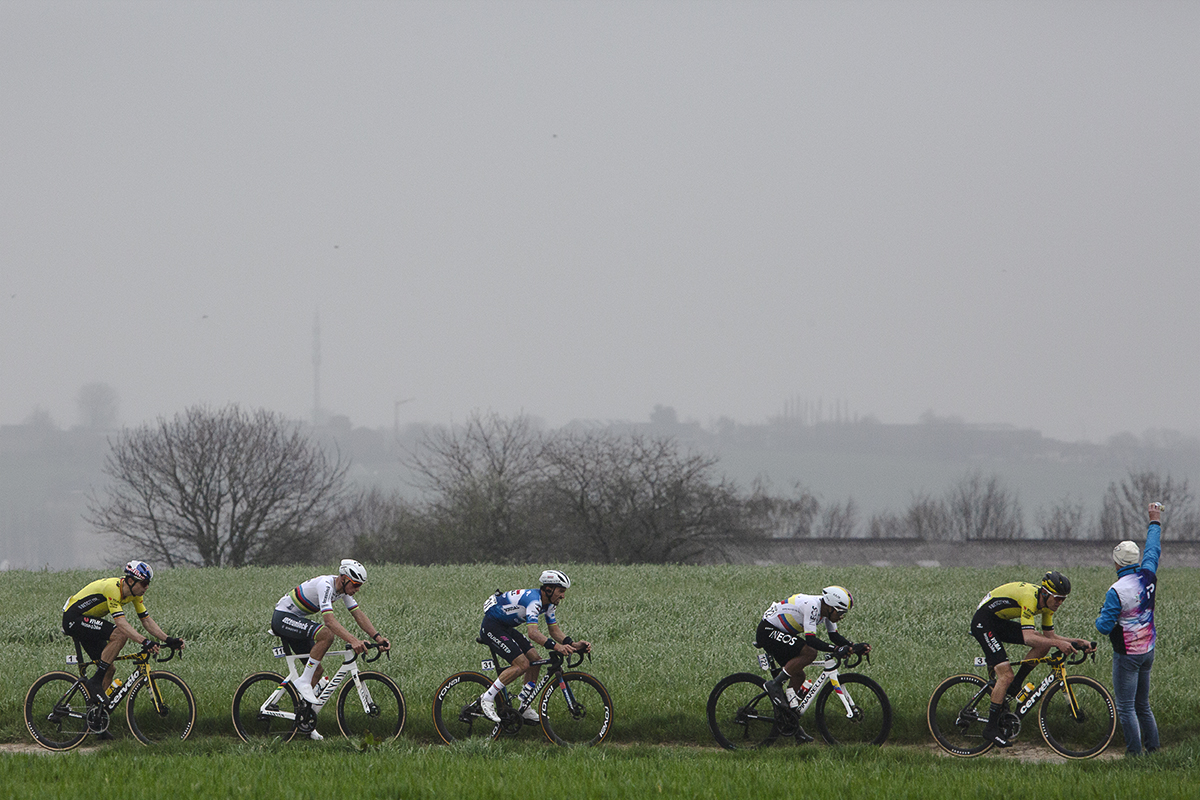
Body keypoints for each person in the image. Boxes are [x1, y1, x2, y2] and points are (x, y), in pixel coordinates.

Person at [970, 571, 1095, 747]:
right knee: (1005, 675)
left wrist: (1078, 642)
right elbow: (1028, 637)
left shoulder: (1047, 605)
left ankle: (1015, 686)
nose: (1060, 603)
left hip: (999, 621)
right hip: (983, 623)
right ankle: (990, 729)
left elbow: (1049, 636)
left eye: (1063, 599)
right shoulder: (1030, 598)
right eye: (1058, 598)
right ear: (1045, 593)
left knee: (1044, 644)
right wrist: (1058, 644)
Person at [271, 559, 390, 740]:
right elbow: (329, 621)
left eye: (360, 585)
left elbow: (358, 614)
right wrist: (354, 640)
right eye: (356, 584)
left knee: (317, 670)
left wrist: (378, 638)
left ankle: (305, 722)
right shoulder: (326, 585)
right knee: (326, 634)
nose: (357, 589)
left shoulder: (342, 590)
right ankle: (303, 682)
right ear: (343, 578)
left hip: (295, 619)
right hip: (283, 617)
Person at [477, 569, 590, 723]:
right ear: (549, 589)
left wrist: (573, 644)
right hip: (492, 626)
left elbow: (554, 630)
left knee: (535, 660)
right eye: (561, 591)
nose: (563, 596)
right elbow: (533, 633)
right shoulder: (534, 601)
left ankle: (524, 707)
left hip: (506, 627)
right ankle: (487, 698)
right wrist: (557, 647)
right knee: (522, 664)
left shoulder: (550, 603)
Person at [61, 560, 184, 702]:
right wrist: (145, 641)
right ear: (131, 581)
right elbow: (121, 623)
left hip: (88, 621)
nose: (147, 587)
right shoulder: (113, 588)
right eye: (144, 583)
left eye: (148, 583)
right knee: (120, 634)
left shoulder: (135, 594)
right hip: (73, 618)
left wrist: (168, 639)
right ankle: (95, 682)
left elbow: (146, 620)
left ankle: (96, 713)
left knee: (109, 669)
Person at [757, 585, 867, 742]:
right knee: (810, 652)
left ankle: (791, 723)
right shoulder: (813, 605)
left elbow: (834, 636)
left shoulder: (826, 611)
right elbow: (811, 640)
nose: (842, 616)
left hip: (783, 634)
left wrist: (853, 647)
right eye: (841, 612)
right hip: (768, 631)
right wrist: (837, 649)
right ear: (830, 606)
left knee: (799, 675)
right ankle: (774, 684)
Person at [1095, 501, 1162, 756]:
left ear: (1116, 564)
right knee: (1142, 704)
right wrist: (1154, 520)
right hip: (1148, 649)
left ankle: (1134, 755)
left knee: (1125, 706)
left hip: (1127, 655)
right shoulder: (1148, 575)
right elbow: (1153, 549)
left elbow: (1103, 627)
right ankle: (1153, 749)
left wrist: (1100, 617)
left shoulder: (1117, 590)